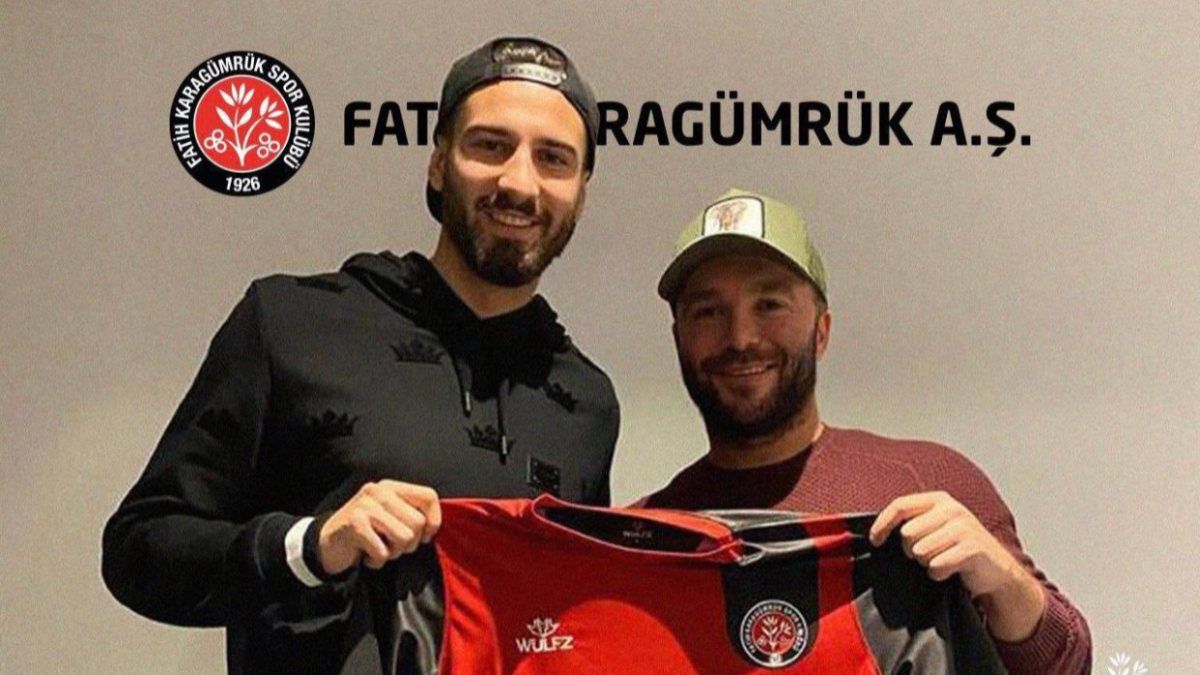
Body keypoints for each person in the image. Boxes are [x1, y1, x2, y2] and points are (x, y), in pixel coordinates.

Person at [102, 37, 619, 674]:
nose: (518, 182)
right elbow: (138, 550)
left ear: (581, 191)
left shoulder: (587, 403)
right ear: (438, 164)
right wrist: (312, 546)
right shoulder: (291, 324)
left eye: (553, 159)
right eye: (490, 146)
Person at [643, 189, 1092, 675]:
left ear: (821, 331)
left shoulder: (929, 482)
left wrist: (1001, 580)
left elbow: (1068, 664)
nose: (740, 338)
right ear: (678, 338)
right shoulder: (643, 538)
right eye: (707, 312)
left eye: (769, 304)